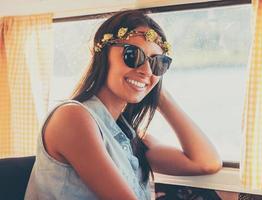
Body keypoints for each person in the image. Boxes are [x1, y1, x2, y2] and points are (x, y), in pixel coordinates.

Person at [25, 10, 222, 200]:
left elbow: (206, 163)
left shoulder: (127, 135)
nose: (145, 69)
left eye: (158, 63)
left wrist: (156, 89)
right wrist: (148, 79)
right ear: (102, 56)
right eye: (133, 55)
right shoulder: (72, 118)